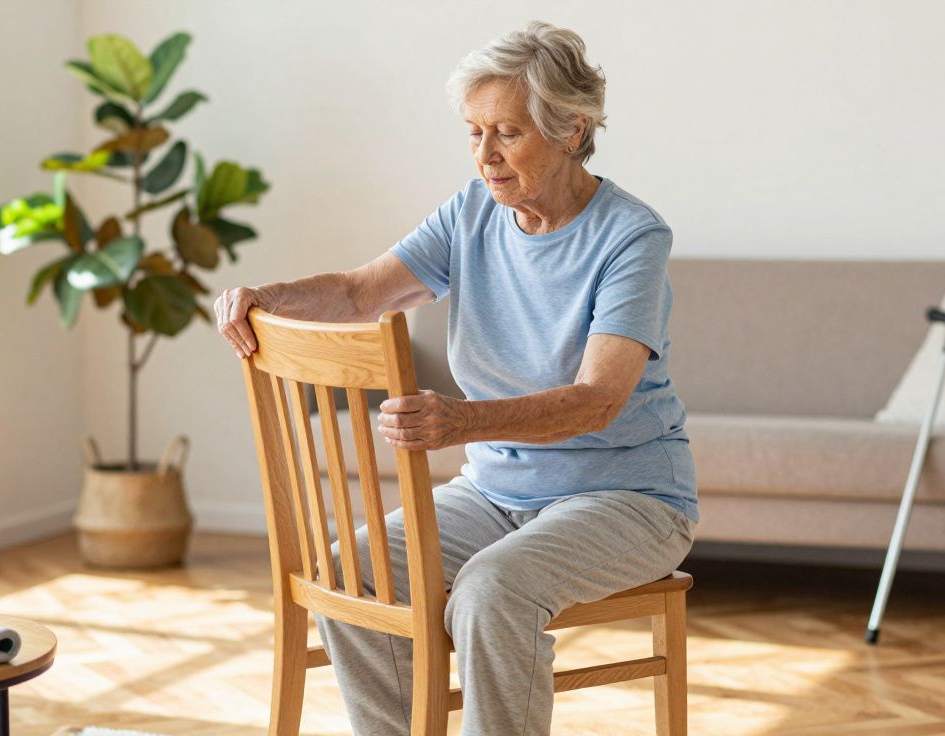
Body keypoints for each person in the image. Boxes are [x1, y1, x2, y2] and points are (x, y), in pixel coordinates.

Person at [214, 20, 697, 736]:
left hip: (627, 497)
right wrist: (268, 297)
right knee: (357, 570)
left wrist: (463, 421)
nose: (486, 157)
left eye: (507, 132)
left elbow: (598, 401)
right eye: (473, 133)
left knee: (490, 592)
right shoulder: (471, 213)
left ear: (572, 129)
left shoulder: (631, 237)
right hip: (498, 489)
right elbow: (358, 293)